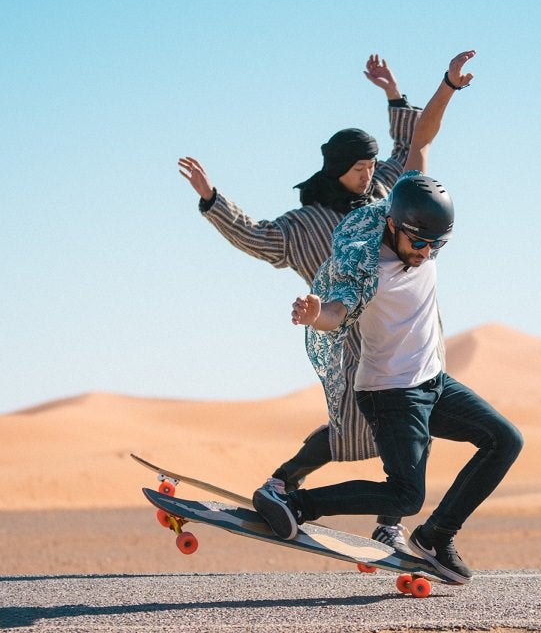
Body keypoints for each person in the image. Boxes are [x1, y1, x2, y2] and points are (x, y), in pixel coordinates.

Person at [252, 50, 522, 585]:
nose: (424, 253)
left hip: (432, 382)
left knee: (505, 440)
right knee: (404, 492)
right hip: (390, 391)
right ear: (396, 225)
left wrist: (447, 85)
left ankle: (435, 537)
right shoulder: (364, 261)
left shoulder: (415, 208)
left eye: (435, 245)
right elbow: (339, 311)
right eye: (417, 243)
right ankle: (293, 504)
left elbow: (419, 140)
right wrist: (313, 315)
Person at [177, 55, 420, 554]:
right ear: (336, 170)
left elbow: (410, 148)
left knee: (415, 424)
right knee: (349, 428)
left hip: (399, 331)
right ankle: (284, 484)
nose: (368, 173)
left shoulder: (382, 194)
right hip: (348, 337)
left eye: (371, 166)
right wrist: (212, 199)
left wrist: (394, 95)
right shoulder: (305, 223)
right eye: (358, 168)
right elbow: (255, 236)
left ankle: (388, 521)